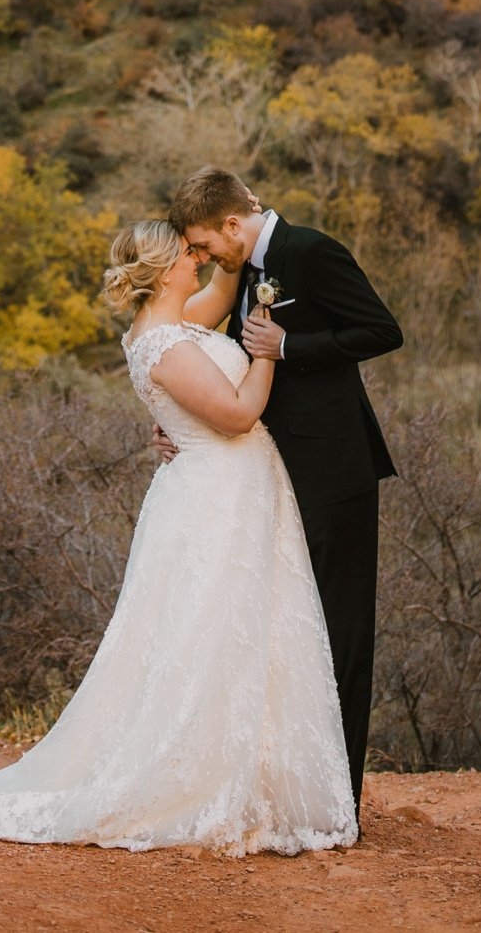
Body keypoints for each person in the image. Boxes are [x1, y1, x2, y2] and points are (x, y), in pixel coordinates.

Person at [0, 219, 356, 857]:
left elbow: (225, 286)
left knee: (245, 630)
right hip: (217, 499)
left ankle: (252, 777)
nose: (197, 259)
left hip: (234, 490)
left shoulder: (176, 321)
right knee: (209, 632)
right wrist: (264, 352)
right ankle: (193, 781)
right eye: (187, 254)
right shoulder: (163, 343)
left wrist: (240, 220)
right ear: (164, 271)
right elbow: (235, 415)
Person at [164, 167, 404, 818]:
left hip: (333, 474)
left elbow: (383, 330)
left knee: (340, 636)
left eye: (206, 243)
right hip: (273, 478)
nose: (206, 256)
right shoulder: (248, 271)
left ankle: (338, 805)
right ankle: (290, 793)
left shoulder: (312, 251)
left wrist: (293, 343)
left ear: (232, 225)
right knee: (290, 636)